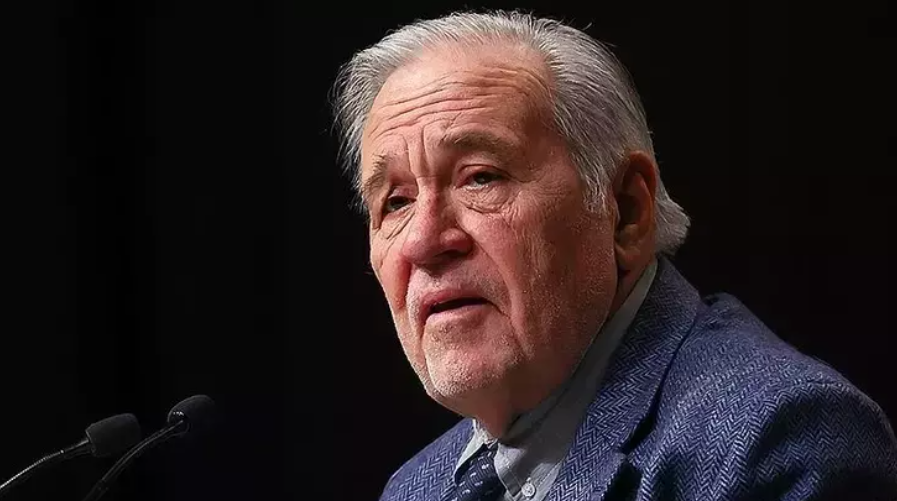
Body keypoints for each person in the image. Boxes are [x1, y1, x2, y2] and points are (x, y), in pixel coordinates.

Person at [330, 10, 897, 501]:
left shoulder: (775, 438)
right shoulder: (417, 486)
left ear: (625, 209)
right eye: (396, 202)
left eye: (481, 178)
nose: (424, 242)